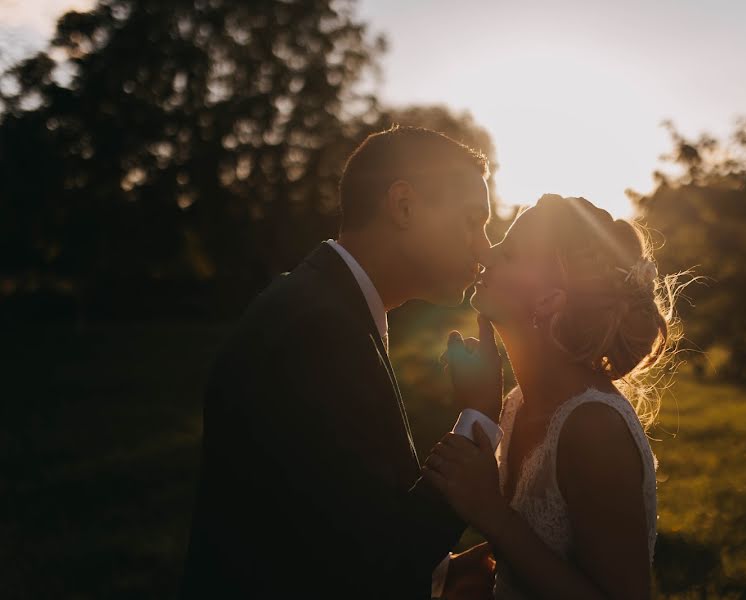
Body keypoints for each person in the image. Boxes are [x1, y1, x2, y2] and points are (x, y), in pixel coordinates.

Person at [179, 126, 504, 599]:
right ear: (404, 206)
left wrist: (440, 577)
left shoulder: (317, 304)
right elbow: (375, 563)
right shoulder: (319, 331)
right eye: (472, 221)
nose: (484, 247)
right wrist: (479, 415)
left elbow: (323, 532)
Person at [426, 194, 682, 599]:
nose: (487, 254)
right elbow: (524, 561)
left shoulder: (593, 427)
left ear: (548, 300)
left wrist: (493, 514)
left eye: (508, 253)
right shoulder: (517, 404)